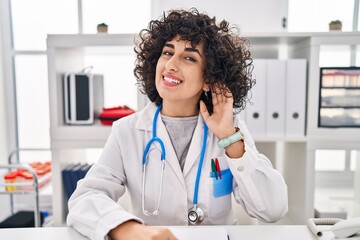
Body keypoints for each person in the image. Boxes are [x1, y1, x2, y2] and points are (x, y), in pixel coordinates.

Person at [67, 8, 288, 240]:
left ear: (209, 77)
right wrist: (129, 229)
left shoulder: (231, 131)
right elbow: (85, 197)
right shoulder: (127, 131)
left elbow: (273, 209)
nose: (170, 65)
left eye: (189, 57)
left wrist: (229, 137)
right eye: (167, 53)